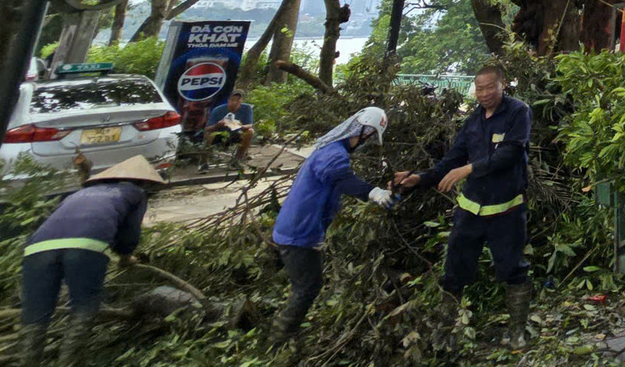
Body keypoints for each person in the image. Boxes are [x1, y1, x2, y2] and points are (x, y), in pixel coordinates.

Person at [393, 64, 532, 349]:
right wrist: (419, 178)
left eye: (489, 87)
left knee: (512, 270)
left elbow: (510, 154)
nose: (483, 94)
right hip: (469, 212)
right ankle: (447, 332)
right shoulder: (472, 122)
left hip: (506, 211)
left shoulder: (518, 113)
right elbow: (451, 161)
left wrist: (469, 169)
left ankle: (518, 330)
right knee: (455, 271)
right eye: (478, 88)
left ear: (502, 85)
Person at [16, 155, 163, 367]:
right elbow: (129, 233)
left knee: (36, 310)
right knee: (84, 306)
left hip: (37, 249)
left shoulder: (79, 193)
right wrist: (125, 257)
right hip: (85, 247)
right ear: (143, 182)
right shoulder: (135, 194)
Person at [270, 106, 393, 344]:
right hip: (298, 232)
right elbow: (342, 179)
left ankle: (284, 332)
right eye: (367, 137)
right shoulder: (333, 153)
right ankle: (280, 339)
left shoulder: (332, 150)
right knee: (308, 287)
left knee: (306, 284)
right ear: (361, 130)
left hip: (301, 229)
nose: (365, 143)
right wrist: (373, 192)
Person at [203, 89, 256, 160]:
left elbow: (250, 124)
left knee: (250, 131)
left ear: (242, 100)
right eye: (232, 99)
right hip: (221, 134)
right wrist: (217, 125)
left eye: (238, 100)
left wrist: (241, 126)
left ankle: (238, 157)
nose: (234, 102)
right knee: (208, 134)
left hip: (237, 134)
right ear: (228, 100)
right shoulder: (218, 110)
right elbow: (207, 128)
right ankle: (205, 159)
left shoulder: (247, 108)